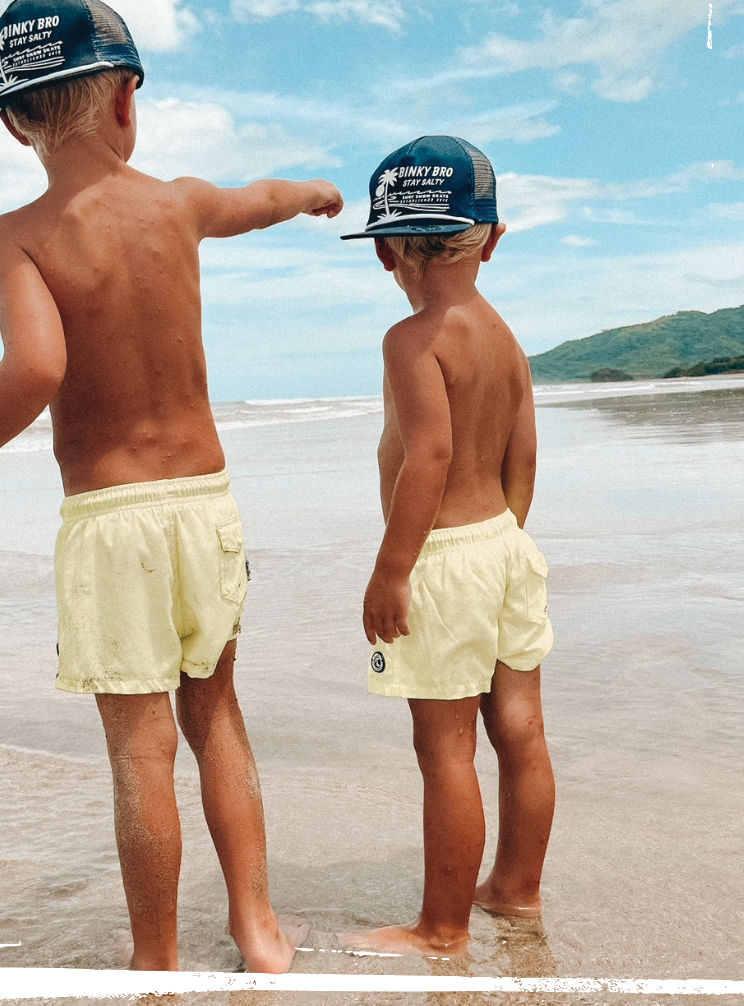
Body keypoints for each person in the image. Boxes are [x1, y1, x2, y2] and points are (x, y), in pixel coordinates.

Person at [0, 0, 343, 973]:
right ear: (126, 101)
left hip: (113, 523)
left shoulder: (17, 236)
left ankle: (158, 963)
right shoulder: (181, 205)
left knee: (141, 748)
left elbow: (35, 368)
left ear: (15, 124)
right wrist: (316, 191)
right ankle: (260, 932)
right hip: (206, 508)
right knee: (218, 715)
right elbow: (263, 198)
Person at [338, 136, 555, 957]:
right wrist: (506, 546)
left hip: (445, 555)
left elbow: (427, 455)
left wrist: (395, 570)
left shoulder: (412, 339)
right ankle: (518, 890)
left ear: (386, 251)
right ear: (491, 239)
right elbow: (523, 457)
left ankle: (442, 929)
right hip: (504, 544)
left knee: (446, 750)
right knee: (522, 731)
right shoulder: (506, 339)